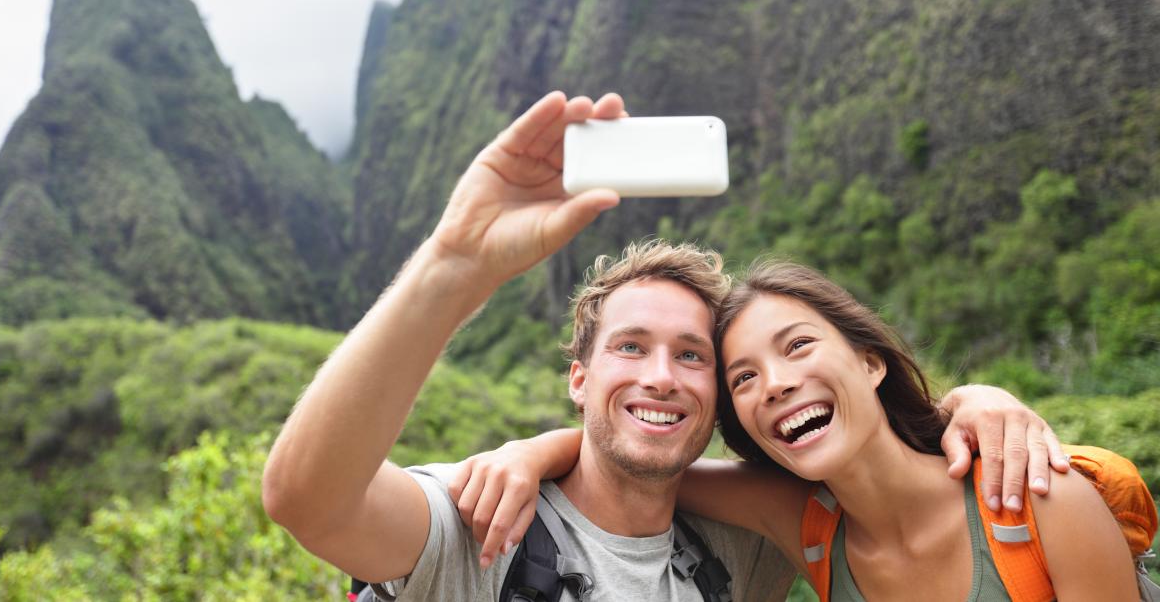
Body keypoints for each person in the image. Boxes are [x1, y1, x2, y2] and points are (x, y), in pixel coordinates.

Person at [262, 92, 1063, 601]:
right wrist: (453, 266)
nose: (661, 376)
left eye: (693, 357)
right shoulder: (483, 520)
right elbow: (309, 500)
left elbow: (881, 468)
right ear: (579, 377)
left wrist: (971, 405)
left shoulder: (752, 541)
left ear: (721, 398)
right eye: (630, 347)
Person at [456, 260, 1138, 600]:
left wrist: (973, 397)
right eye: (743, 378)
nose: (775, 383)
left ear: (870, 362)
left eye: (799, 346)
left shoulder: (1034, 501)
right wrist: (531, 452)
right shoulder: (805, 521)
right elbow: (641, 458)